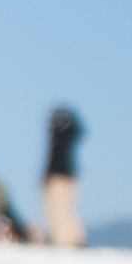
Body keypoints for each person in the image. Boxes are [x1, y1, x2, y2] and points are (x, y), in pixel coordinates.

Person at [41, 104, 86, 248]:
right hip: (57, 176)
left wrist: (65, 111)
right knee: (59, 210)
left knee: (61, 210)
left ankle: (67, 240)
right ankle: (67, 239)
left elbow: (79, 129)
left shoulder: (67, 135)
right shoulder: (55, 136)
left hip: (63, 176)